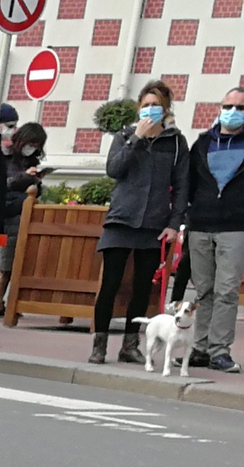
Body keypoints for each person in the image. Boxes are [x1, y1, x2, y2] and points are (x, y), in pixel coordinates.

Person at [90, 81, 186, 366]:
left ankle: (130, 344)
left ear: (165, 109)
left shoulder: (176, 142)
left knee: (143, 288)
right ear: (138, 108)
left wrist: (174, 222)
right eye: (145, 105)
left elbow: (181, 186)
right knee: (110, 284)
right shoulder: (124, 135)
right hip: (121, 219)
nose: (150, 110)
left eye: (156, 105)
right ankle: (99, 344)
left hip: (153, 224)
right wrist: (136, 139)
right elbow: (114, 169)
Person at [174, 83, 244, 374]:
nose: (232, 113)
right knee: (204, 290)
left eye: (240, 108)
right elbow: (186, 184)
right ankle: (200, 348)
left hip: (235, 226)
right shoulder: (203, 143)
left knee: (227, 290)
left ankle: (219, 351)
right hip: (200, 224)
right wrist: (183, 216)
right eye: (228, 107)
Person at [0, 119, 46, 317]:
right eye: (31, 144)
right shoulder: (5, 158)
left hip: (19, 214)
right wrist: (25, 177)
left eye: (37, 146)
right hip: (2, 213)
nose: (33, 149)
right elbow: (2, 184)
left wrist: (36, 180)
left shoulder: (31, 161)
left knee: (5, 263)